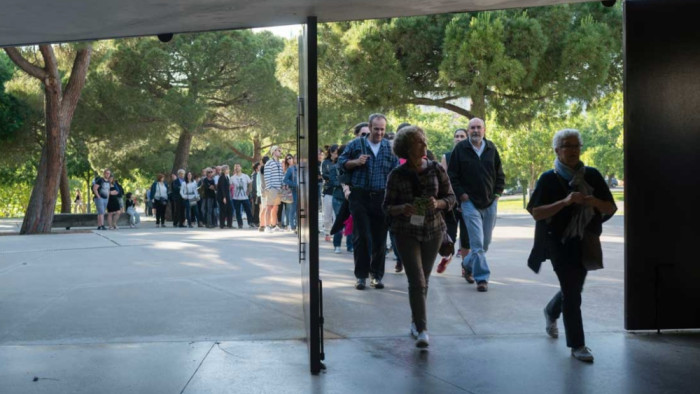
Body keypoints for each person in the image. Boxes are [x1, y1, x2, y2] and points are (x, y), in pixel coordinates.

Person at [527, 128, 616, 363]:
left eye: (577, 145)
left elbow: (610, 208)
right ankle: (577, 345)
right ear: (557, 150)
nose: (573, 150)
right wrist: (565, 202)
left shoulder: (593, 176)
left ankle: (551, 310)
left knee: (573, 289)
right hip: (558, 242)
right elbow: (536, 213)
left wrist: (592, 201)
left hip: (586, 241)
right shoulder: (548, 179)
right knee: (572, 292)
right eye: (568, 145)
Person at [383, 126, 456, 348]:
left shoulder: (436, 169)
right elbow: (386, 207)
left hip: (433, 231)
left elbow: (451, 198)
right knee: (417, 280)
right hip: (406, 232)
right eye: (419, 142)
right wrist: (402, 208)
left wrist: (439, 203)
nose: (424, 145)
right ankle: (423, 328)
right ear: (406, 148)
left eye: (424, 141)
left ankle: (415, 322)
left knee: (424, 279)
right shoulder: (396, 175)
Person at [338, 113, 399, 290]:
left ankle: (377, 276)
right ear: (370, 127)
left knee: (380, 238)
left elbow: (396, 171)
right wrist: (356, 162)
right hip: (360, 196)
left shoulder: (389, 148)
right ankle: (361, 276)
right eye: (376, 129)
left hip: (381, 197)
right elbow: (341, 163)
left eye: (382, 129)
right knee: (362, 237)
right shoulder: (356, 144)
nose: (379, 132)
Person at [447, 117, 505, 292]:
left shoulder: (491, 148)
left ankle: (466, 262)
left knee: (485, 243)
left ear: (484, 130)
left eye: (479, 127)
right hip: (469, 203)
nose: (475, 130)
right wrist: (462, 195)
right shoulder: (460, 149)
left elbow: (499, 173)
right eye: (472, 127)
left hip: (490, 202)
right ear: (468, 130)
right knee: (477, 244)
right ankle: (482, 279)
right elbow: (452, 175)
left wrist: (497, 194)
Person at [438, 128, 471, 274]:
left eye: (462, 136)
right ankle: (447, 257)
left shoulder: (472, 156)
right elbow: (441, 180)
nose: (458, 138)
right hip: (451, 203)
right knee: (450, 235)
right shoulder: (447, 156)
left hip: (467, 202)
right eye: (456, 136)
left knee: (466, 237)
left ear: (467, 138)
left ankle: (466, 267)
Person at [264, 146, 284, 233]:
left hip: (279, 188)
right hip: (272, 188)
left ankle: (274, 225)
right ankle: (267, 226)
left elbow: (281, 175)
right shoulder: (269, 163)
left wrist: (283, 185)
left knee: (276, 208)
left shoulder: (279, 163)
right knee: (269, 207)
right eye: (278, 150)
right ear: (273, 152)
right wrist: (269, 188)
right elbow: (267, 176)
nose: (280, 151)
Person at [321, 146, 338, 241]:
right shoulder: (325, 162)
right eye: (335, 152)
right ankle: (327, 232)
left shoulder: (341, 161)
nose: (336, 155)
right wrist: (333, 178)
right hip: (328, 191)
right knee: (327, 214)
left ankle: (335, 234)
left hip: (338, 192)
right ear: (331, 153)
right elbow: (324, 175)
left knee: (337, 215)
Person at [231, 163, 255, 229]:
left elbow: (250, 183)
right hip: (236, 197)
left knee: (248, 210)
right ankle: (240, 224)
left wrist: (248, 191)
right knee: (238, 211)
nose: (237, 168)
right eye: (235, 167)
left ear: (241, 167)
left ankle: (250, 222)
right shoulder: (232, 178)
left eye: (238, 166)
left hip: (245, 197)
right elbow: (229, 186)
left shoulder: (245, 176)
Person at [283, 155, 298, 232]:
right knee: (293, 209)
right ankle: (292, 226)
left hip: (303, 192)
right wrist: (295, 184)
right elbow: (285, 180)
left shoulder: (304, 168)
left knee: (300, 209)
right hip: (294, 191)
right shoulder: (291, 169)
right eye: (295, 158)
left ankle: (299, 226)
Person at [216, 165, 233, 229]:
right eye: (227, 169)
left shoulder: (227, 177)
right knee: (223, 210)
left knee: (229, 209)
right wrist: (224, 197)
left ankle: (229, 224)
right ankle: (222, 224)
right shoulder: (222, 177)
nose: (229, 170)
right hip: (223, 196)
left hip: (227, 196)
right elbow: (222, 188)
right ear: (224, 170)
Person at [250, 162, 261, 228]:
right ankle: (255, 222)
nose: (261, 166)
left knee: (259, 208)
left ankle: (258, 221)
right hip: (256, 194)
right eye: (259, 166)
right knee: (256, 208)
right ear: (256, 167)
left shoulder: (259, 174)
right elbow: (254, 186)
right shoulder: (254, 175)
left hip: (259, 193)